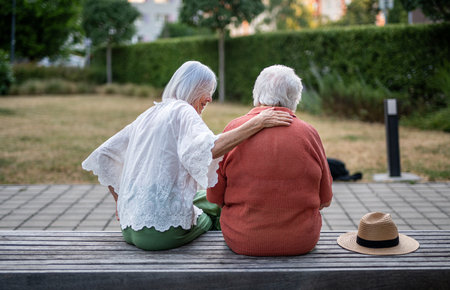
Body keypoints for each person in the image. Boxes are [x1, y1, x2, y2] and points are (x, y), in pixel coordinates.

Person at [82, 61, 293, 251]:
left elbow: (104, 155)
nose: (210, 98)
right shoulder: (183, 111)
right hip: (162, 235)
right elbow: (209, 150)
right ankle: (226, 263)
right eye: (208, 91)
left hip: (129, 229)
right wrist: (258, 122)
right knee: (218, 208)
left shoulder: (149, 114)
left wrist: (121, 205)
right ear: (193, 88)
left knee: (203, 198)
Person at [207, 65, 333, 256]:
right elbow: (325, 199)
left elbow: (214, 197)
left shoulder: (234, 130)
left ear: (256, 94)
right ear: (295, 99)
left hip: (242, 239)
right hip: (301, 241)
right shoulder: (309, 134)